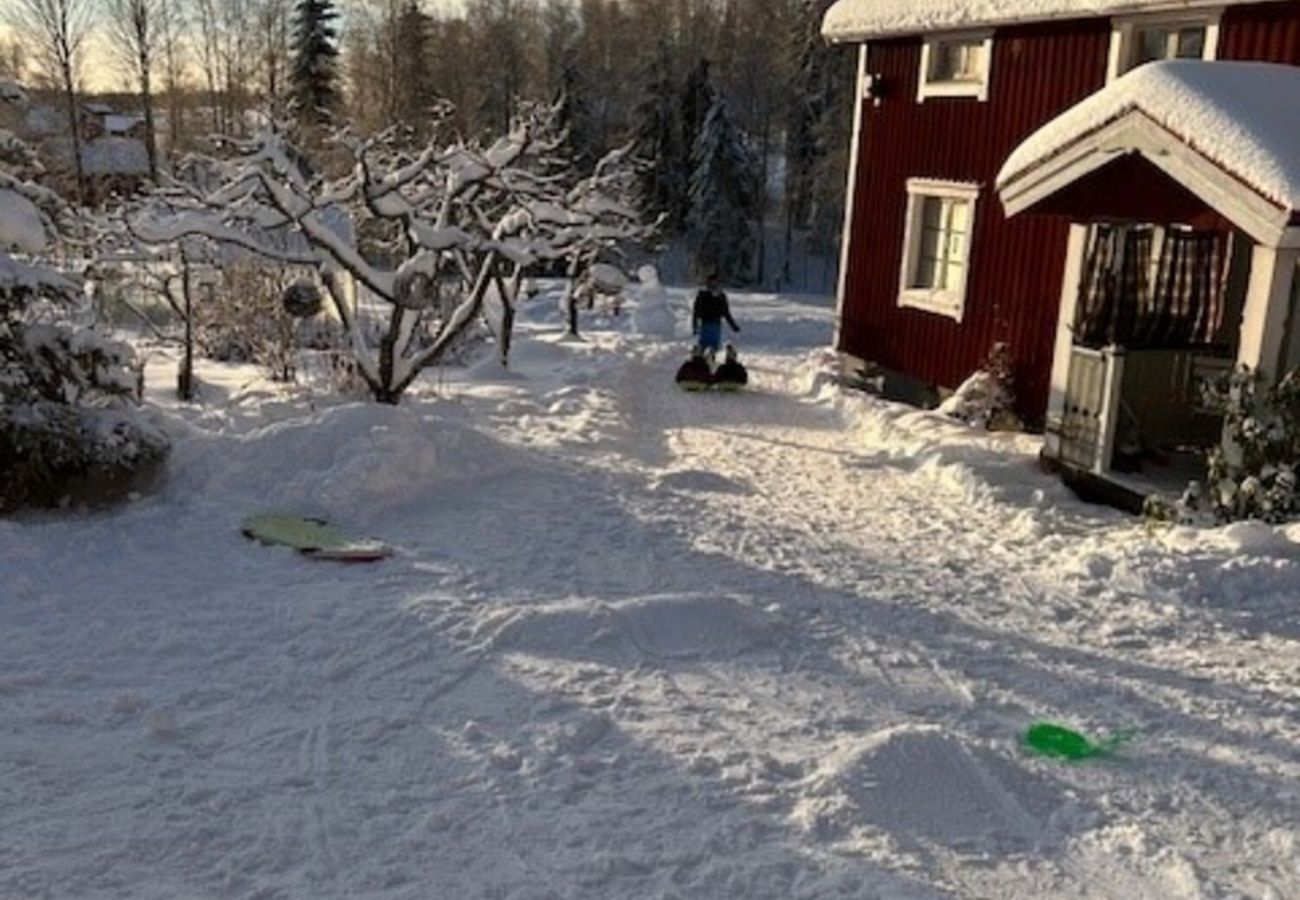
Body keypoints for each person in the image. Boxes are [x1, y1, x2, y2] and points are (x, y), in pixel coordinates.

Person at [692, 274, 739, 355]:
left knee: (704, 345)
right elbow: (726, 313)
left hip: (708, 324)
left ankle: (700, 354)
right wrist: (734, 327)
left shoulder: (702, 295)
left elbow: (696, 312)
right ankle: (708, 355)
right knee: (712, 346)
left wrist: (695, 326)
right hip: (712, 325)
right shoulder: (720, 296)